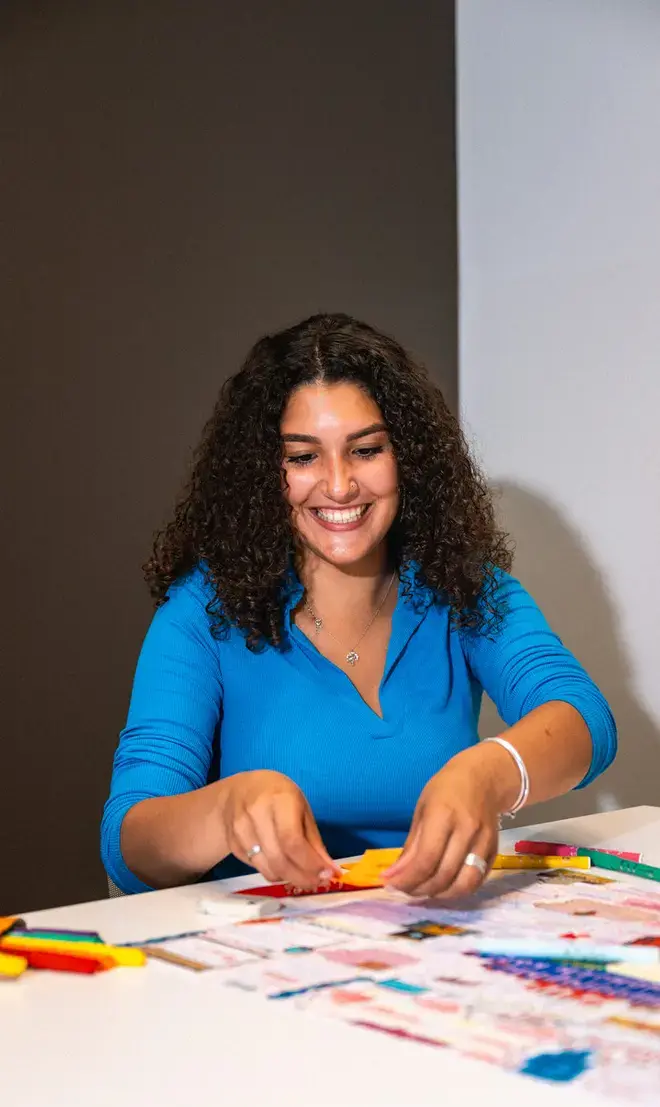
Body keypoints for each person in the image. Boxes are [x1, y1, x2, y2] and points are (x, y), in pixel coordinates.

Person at [102, 313, 617, 899]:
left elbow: (585, 719)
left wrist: (490, 771)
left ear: (408, 457)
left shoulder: (465, 588)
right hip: (262, 939)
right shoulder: (202, 612)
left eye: (366, 450)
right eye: (303, 457)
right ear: (261, 472)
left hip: (436, 932)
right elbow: (128, 843)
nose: (340, 485)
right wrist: (226, 810)